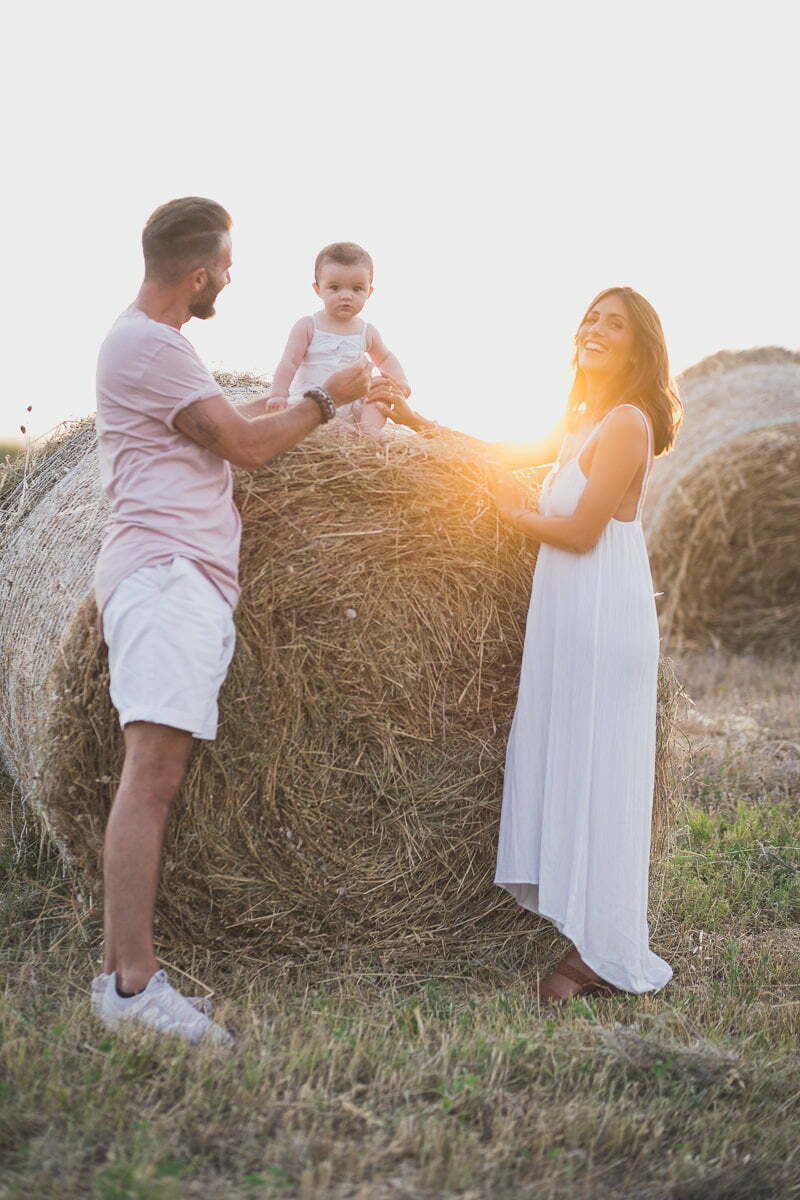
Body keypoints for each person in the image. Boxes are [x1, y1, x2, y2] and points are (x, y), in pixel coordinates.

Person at [92, 198, 403, 1044]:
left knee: (156, 773)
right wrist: (330, 399)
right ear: (198, 273)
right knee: (150, 775)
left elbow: (238, 429)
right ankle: (131, 988)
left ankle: (127, 980)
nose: (230, 278)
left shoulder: (157, 346)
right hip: (163, 576)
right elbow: (253, 445)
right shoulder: (149, 345)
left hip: (182, 576)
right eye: (225, 267)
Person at [371, 287, 683, 1004]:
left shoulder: (629, 421)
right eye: (591, 319)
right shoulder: (581, 421)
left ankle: (600, 953)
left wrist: (514, 514)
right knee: (571, 761)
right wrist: (414, 418)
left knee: (599, 772)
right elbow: (495, 452)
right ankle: (591, 939)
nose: (595, 330)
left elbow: (581, 531)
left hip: (602, 610)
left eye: (614, 324)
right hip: (570, 608)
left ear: (640, 347)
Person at [267, 242, 411, 432]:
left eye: (357, 289)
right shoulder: (308, 325)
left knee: (379, 391)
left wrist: (400, 381)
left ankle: (369, 434)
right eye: (335, 288)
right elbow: (289, 362)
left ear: (369, 292)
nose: (346, 296)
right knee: (293, 413)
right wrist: (278, 394)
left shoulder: (367, 331)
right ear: (318, 289)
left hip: (354, 406)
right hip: (313, 400)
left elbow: (385, 358)